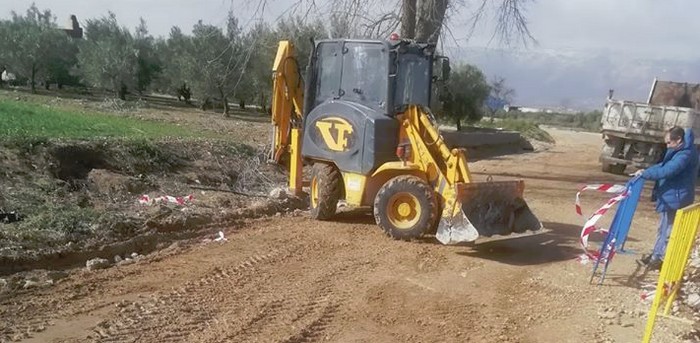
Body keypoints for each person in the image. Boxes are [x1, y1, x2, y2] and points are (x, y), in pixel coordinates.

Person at [633, 126, 699, 270]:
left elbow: (669, 170)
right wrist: (646, 171)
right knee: (662, 228)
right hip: (672, 195)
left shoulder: (685, 155)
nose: (667, 146)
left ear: (679, 140)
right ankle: (656, 255)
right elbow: (662, 165)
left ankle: (663, 260)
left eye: (669, 143)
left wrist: (646, 175)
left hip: (677, 198)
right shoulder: (679, 150)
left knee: (669, 231)